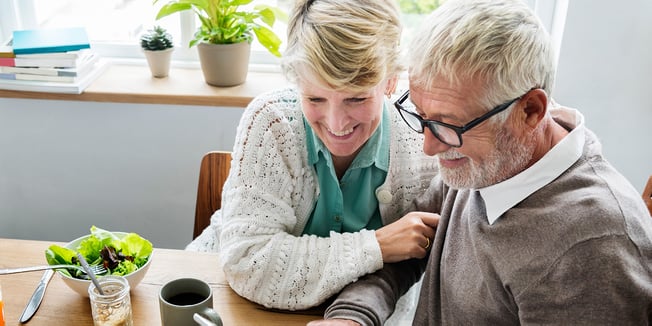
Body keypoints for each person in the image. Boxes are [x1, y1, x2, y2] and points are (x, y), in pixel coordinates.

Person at [311, 0, 652, 325]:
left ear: (530, 110)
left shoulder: (594, 249)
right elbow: (404, 254)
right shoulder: (484, 161)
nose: (429, 147)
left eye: (447, 125)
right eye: (422, 116)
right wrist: (352, 316)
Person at [186, 0, 440, 319]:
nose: (336, 124)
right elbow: (247, 262)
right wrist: (376, 246)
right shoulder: (271, 122)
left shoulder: (423, 140)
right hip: (230, 303)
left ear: (390, 81)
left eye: (356, 98)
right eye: (315, 98)